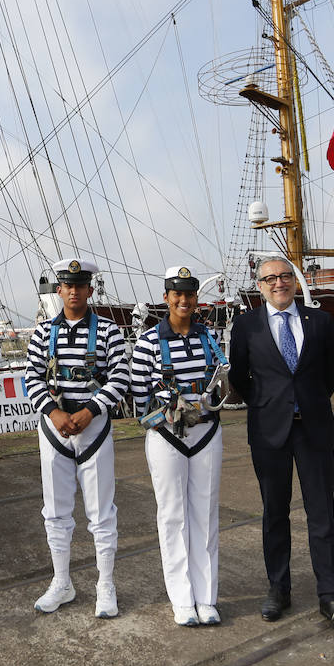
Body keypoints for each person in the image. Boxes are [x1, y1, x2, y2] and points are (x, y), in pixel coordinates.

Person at [229, 256, 334, 637]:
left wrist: (307, 403)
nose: (278, 283)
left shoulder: (320, 321)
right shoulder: (246, 325)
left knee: (322, 516)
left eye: (284, 276)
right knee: (274, 514)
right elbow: (239, 376)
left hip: (313, 429)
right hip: (269, 431)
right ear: (260, 285)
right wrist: (272, 405)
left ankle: (331, 596)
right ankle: (278, 589)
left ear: (294, 282)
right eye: (270, 279)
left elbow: (331, 373)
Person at [23, 258, 130, 618]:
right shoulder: (42, 332)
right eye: (67, 285)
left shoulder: (110, 331)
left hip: (94, 428)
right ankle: (62, 581)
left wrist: (91, 410)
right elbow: (32, 377)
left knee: (101, 513)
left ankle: (106, 584)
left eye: (80, 285)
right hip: (54, 429)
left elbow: (120, 377)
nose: (73, 291)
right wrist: (54, 413)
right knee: (55, 511)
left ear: (89, 289)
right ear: (59, 290)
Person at [130, 265, 228, 627]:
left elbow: (221, 380)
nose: (184, 300)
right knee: (172, 516)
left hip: (206, 433)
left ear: (195, 298)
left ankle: (207, 597)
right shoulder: (148, 342)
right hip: (166, 436)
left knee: (205, 514)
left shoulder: (211, 337)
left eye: (189, 294)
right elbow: (140, 393)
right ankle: (182, 599)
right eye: (177, 294)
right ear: (167, 297)